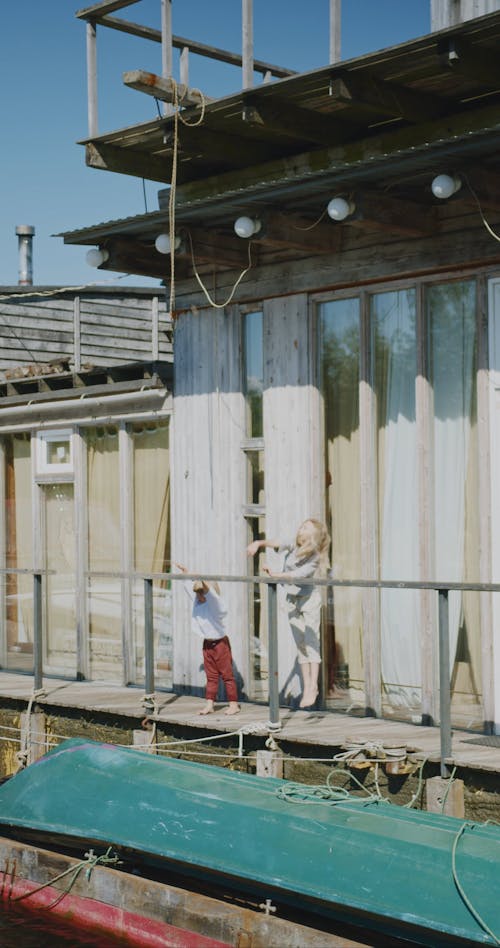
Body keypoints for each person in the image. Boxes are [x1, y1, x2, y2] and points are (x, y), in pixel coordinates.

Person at [247, 519, 330, 709]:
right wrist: (258, 543)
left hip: (308, 599)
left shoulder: (315, 555)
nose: (301, 529)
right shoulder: (294, 544)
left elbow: (300, 575)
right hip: (292, 599)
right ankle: (307, 686)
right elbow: (277, 542)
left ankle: (312, 686)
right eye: (301, 526)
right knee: (300, 644)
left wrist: (277, 575)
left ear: (314, 535)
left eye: (306, 528)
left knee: (311, 642)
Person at [176, 565, 240, 716]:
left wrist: (202, 580)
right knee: (210, 676)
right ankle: (210, 704)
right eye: (197, 594)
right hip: (207, 644)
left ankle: (234, 704)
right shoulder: (199, 601)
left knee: (227, 675)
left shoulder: (216, 605)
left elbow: (211, 595)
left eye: (201, 593)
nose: (198, 597)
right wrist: (187, 575)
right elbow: (189, 590)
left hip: (220, 644)